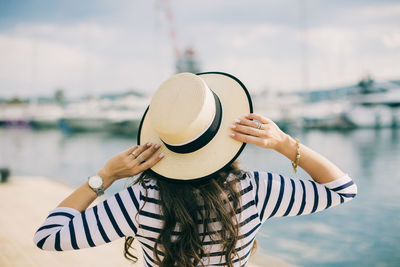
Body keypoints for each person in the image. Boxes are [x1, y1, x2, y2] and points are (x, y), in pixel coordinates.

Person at [33, 72, 358, 267]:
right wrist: (284, 142)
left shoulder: (139, 201)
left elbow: (49, 237)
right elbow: (343, 189)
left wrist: (105, 176)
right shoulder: (256, 190)